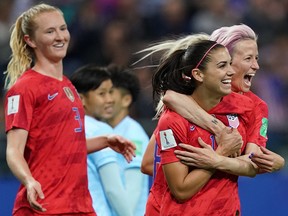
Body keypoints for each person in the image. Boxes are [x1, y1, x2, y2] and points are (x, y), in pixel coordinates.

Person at [4, 4, 135, 215]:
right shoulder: (24, 88)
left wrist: (105, 141)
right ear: (30, 40)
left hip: (80, 205)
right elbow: (13, 150)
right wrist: (28, 180)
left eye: (63, 28)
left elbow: (62, 146)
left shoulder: (68, 85)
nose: (60, 36)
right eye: (50, 31)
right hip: (43, 206)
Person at [148, 39, 260, 215]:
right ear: (198, 75)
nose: (231, 72)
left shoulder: (242, 110)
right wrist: (221, 154)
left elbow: (252, 165)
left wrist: (218, 160)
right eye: (222, 66)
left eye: (230, 64)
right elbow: (181, 190)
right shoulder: (172, 121)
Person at [162, 24, 285, 173]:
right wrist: (219, 129)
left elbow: (252, 161)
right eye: (248, 58)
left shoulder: (256, 106)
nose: (256, 65)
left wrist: (216, 160)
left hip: (225, 195)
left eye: (256, 58)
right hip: (181, 191)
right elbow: (150, 162)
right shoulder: (194, 94)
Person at [70, 64, 135, 216]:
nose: (110, 99)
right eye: (102, 94)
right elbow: (113, 190)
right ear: (81, 99)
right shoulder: (100, 131)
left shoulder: (69, 128)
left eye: (111, 92)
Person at [102, 65, 150, 216]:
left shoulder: (134, 135)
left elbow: (133, 192)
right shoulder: (105, 131)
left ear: (126, 100)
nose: (105, 99)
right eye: (102, 93)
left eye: (110, 93)